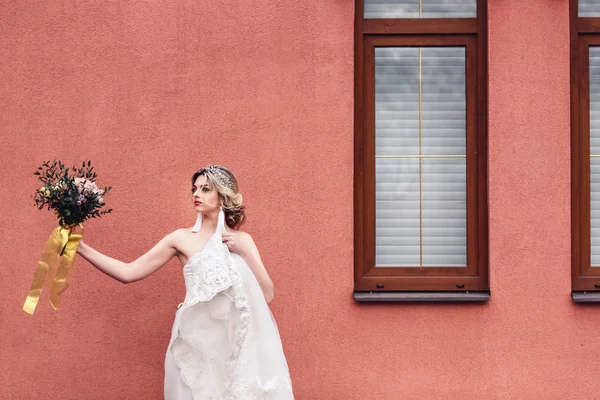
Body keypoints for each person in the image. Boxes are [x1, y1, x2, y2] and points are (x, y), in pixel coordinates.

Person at [76, 164, 294, 399]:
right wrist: (81, 248)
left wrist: (245, 252)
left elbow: (267, 294)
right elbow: (128, 273)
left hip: (236, 348)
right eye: (195, 189)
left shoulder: (243, 240)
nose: (196, 194)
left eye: (206, 189)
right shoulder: (180, 239)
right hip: (196, 347)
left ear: (223, 196)